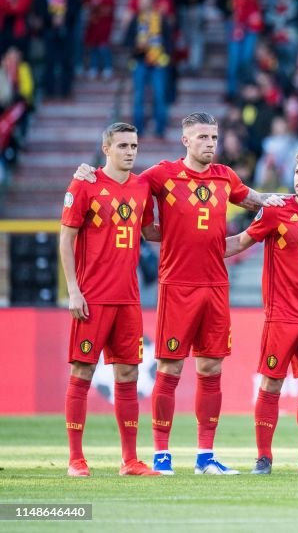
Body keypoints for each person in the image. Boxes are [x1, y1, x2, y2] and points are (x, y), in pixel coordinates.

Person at [73, 112, 291, 476]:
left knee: (211, 367)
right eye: (203, 137)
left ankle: (206, 456)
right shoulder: (161, 175)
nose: (210, 143)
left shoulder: (225, 177)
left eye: (214, 137)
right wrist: (89, 172)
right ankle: (161, 455)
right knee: (169, 368)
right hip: (177, 286)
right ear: (185, 140)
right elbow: (121, 182)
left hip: (216, 285)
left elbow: (258, 200)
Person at [225, 151, 298, 474]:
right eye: (297, 172)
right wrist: (198, 250)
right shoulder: (276, 211)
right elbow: (241, 243)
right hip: (282, 314)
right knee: (272, 383)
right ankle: (263, 457)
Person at [59, 123, 161, 477]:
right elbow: (66, 238)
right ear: (106, 148)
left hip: (128, 298)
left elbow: (150, 231)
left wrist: (195, 230)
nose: (130, 151)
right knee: (82, 371)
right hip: (93, 297)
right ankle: (76, 459)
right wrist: (73, 289)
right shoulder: (84, 184)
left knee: (128, 373)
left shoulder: (142, 187)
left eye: (133, 145)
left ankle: (130, 460)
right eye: (122, 145)